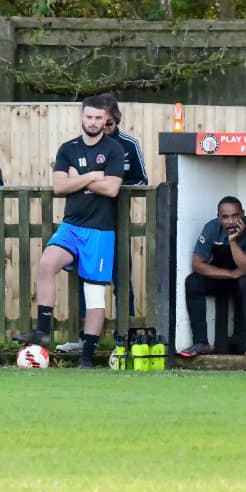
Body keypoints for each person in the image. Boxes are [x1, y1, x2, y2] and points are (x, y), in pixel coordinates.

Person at [14, 94, 125, 368]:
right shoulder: (68, 149)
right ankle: (43, 331)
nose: (93, 122)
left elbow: (112, 189)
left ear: (105, 119)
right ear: (82, 117)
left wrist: (77, 178)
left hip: (99, 230)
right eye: (89, 116)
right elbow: (60, 186)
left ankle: (86, 357)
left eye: (98, 118)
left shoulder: (114, 150)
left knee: (94, 293)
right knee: (46, 263)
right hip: (71, 226)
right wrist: (92, 176)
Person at [57, 92, 149, 353]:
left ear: (115, 120)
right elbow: (65, 182)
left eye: (108, 123)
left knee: (121, 278)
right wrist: (96, 181)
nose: (102, 127)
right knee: (83, 279)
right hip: (86, 221)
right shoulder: (80, 146)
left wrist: (105, 182)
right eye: (97, 120)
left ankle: (125, 337)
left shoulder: (127, 145)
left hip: (116, 221)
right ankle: (84, 338)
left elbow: (141, 179)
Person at [178, 196, 246, 358]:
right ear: (218, 217)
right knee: (193, 282)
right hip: (224, 277)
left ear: (243, 214)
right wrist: (229, 274)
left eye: (235, 216)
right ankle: (201, 342)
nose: (230, 221)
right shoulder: (211, 228)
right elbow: (197, 264)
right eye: (225, 217)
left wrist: (233, 241)